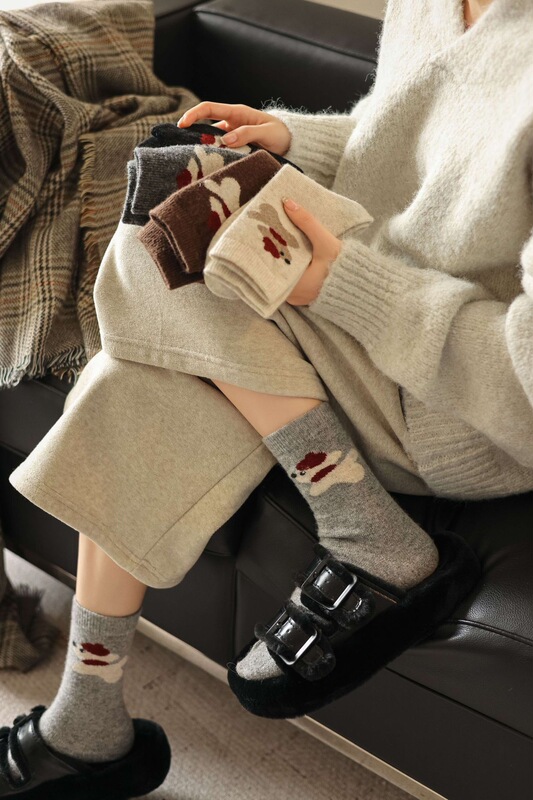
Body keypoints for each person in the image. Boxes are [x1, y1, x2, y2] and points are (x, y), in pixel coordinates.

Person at [1, 0, 532, 795]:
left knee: (156, 249)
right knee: (164, 241)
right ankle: (87, 719)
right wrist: (289, 140)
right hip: (374, 317)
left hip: (458, 408)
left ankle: (361, 526)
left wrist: (343, 284)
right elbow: (404, 148)